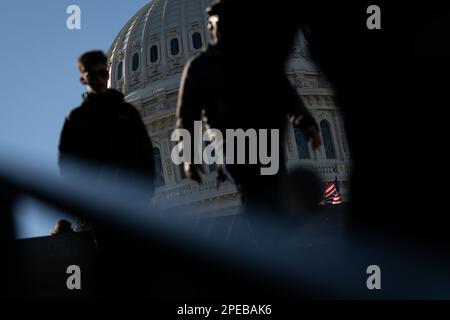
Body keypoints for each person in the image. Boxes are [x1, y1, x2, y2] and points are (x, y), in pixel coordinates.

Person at [176, 0, 322, 213]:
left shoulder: (256, 58)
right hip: (231, 141)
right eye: (219, 22)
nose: (225, 26)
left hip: (265, 136)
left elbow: (283, 90)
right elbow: (187, 114)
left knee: (273, 191)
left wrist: (307, 123)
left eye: (229, 21)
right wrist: (189, 154)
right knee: (254, 191)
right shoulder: (201, 66)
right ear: (210, 27)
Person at [58, 50, 156, 231]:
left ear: (108, 74)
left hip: (132, 207)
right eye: (92, 75)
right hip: (99, 210)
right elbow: (69, 168)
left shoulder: (128, 113)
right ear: (83, 79)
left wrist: (143, 197)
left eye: (102, 73)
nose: (99, 79)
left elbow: (146, 156)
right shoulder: (77, 119)